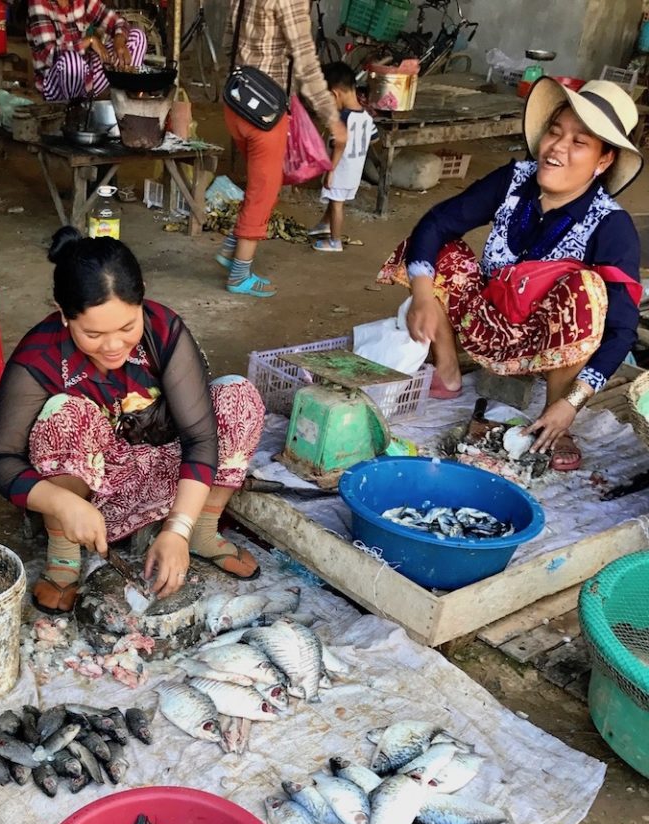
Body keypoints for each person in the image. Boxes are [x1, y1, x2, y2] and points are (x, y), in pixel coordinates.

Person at [0, 228, 266, 614]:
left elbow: (200, 438)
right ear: (64, 313)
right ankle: (64, 554)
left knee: (237, 396)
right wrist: (62, 503)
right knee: (66, 413)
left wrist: (177, 530)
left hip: (173, 479)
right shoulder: (40, 355)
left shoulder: (163, 330)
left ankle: (200, 530)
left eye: (127, 327)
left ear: (142, 297)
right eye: (93, 333)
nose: (114, 346)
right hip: (93, 493)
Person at [377, 77, 643, 471]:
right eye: (555, 133)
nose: (557, 148)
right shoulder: (514, 180)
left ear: (603, 161)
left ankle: (556, 420)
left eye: (579, 143)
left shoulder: (611, 226)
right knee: (440, 248)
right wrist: (421, 293)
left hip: (543, 344)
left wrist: (572, 405)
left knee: (586, 290)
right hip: (483, 322)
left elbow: (622, 329)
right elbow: (437, 222)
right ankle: (448, 371)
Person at [216, 0, 348, 297]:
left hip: (236, 102)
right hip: (265, 112)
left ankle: (230, 248)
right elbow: (307, 64)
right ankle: (239, 275)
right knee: (264, 192)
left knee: (261, 187)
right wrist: (332, 119)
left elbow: (228, 43)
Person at [308, 61, 378, 253]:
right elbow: (374, 139)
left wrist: (330, 171)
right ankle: (324, 224)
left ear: (335, 94)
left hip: (341, 167)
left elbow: (340, 144)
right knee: (335, 199)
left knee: (337, 204)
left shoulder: (342, 119)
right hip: (354, 169)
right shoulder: (366, 116)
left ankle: (335, 241)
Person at [26, 0, 147, 101]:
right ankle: (74, 111)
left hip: (88, 76)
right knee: (72, 62)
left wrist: (119, 40)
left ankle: (121, 104)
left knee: (137, 36)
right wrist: (89, 41)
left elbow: (118, 22)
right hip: (56, 87)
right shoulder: (39, 3)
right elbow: (49, 55)